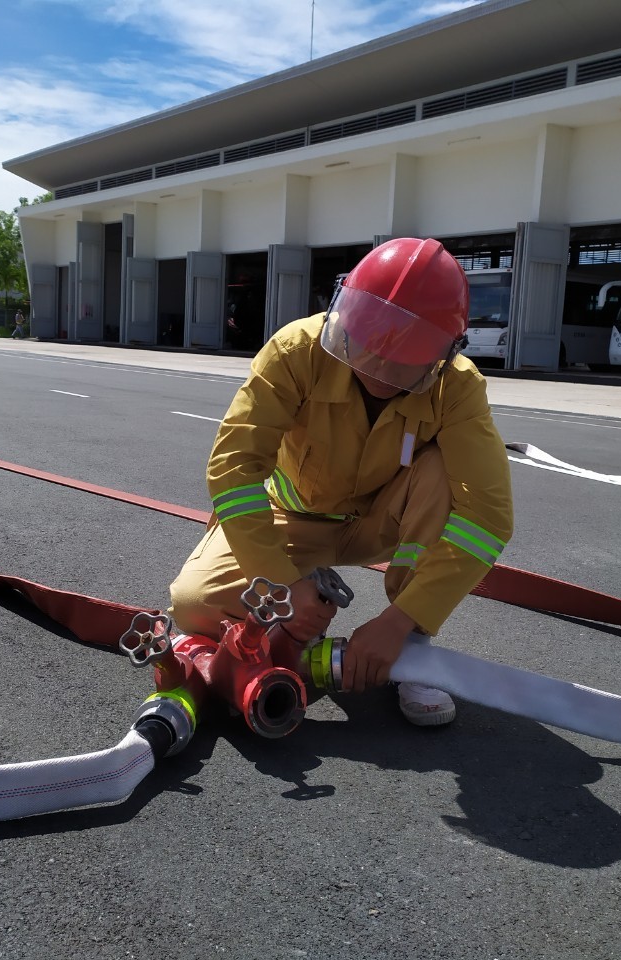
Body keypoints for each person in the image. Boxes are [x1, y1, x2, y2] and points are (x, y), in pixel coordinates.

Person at [169, 237, 513, 726]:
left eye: (404, 356)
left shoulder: (456, 387)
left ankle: (413, 651)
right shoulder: (296, 351)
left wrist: (399, 623)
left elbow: (487, 517)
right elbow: (233, 468)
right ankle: (304, 611)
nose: (379, 365)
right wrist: (285, 588)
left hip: (380, 523)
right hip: (294, 520)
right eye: (372, 340)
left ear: (442, 353)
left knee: (442, 473)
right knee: (192, 607)